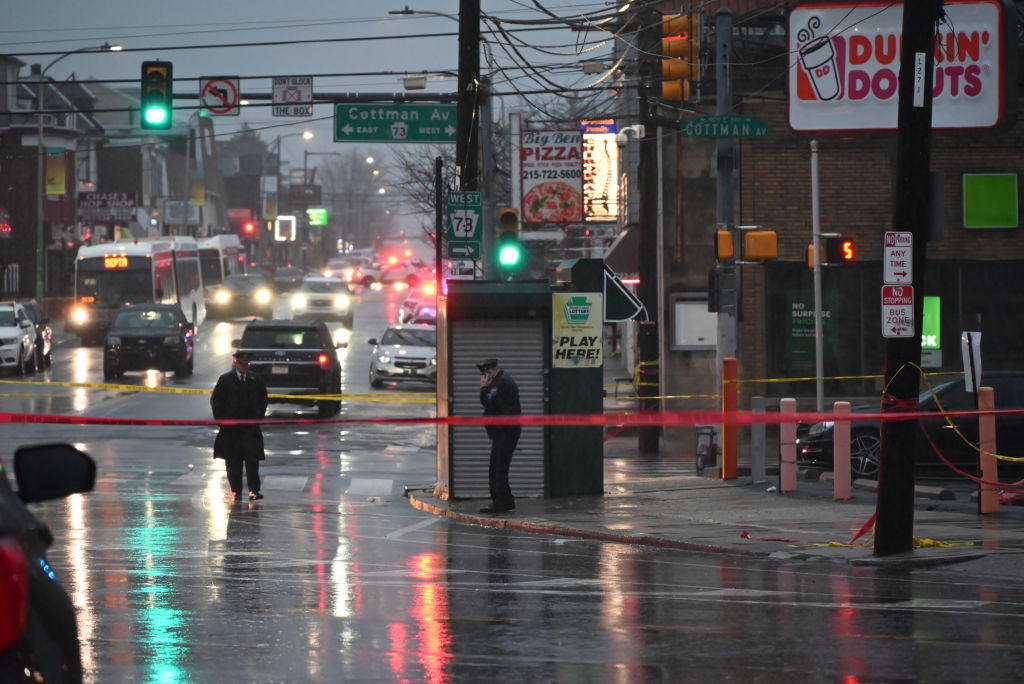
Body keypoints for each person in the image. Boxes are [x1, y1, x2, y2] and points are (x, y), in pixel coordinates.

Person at [211, 350, 269, 502]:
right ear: (235, 363)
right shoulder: (225, 380)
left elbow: (263, 400)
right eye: (241, 364)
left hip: (250, 429)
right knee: (233, 462)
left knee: (252, 461)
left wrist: (256, 419)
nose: (244, 367)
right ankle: (236, 490)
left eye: (247, 364)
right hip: (231, 430)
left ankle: (254, 490)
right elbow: (216, 401)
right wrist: (222, 421)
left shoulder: (256, 379)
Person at [478, 358, 521, 514]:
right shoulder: (501, 381)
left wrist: (483, 388)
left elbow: (489, 402)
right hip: (504, 431)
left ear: (489, 372)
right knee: (498, 468)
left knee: (498, 469)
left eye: (484, 374)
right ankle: (505, 501)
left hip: (505, 432)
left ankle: (500, 503)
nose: (483, 377)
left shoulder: (500, 383)